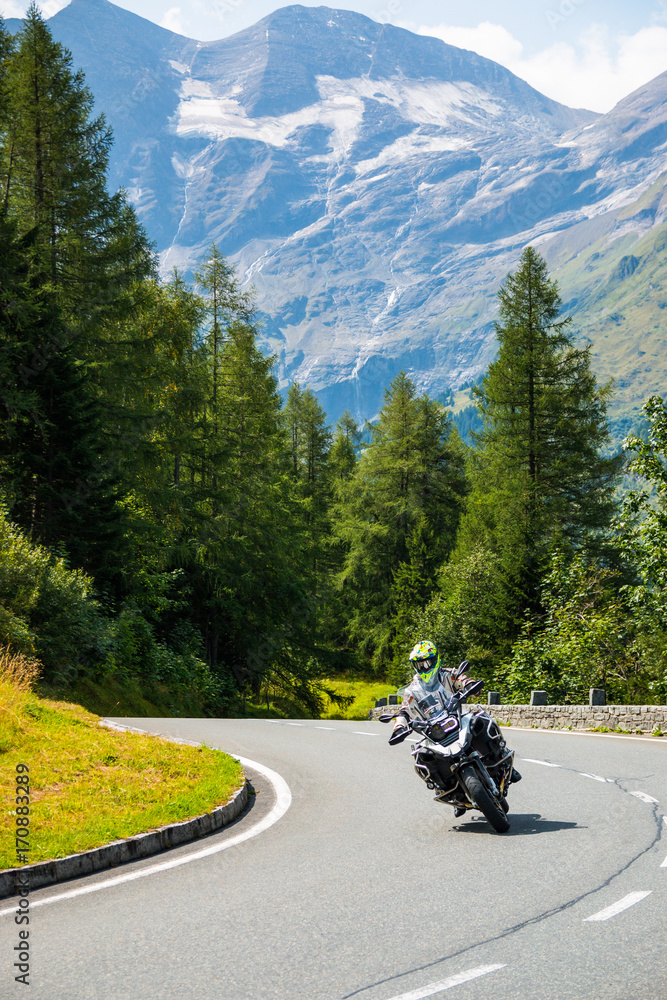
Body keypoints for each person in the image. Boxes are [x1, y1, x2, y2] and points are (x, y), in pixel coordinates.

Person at [390, 639, 521, 808]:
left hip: (457, 717)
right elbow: (404, 710)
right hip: (433, 728)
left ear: (435, 659)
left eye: (427, 663)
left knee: (482, 720)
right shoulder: (412, 690)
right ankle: (447, 790)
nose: (424, 668)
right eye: (419, 665)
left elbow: (462, 679)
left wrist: (470, 686)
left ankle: (502, 756)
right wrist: (399, 726)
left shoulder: (447, 674)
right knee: (421, 755)